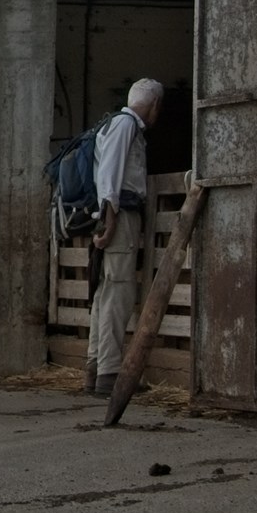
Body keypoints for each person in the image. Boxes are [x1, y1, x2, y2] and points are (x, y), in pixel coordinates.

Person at [86, 78, 165, 397]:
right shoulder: (125, 125)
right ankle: (110, 374)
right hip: (119, 216)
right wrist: (111, 219)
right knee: (118, 293)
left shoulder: (114, 124)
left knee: (106, 293)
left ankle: (95, 370)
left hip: (112, 214)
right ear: (155, 105)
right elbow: (109, 174)